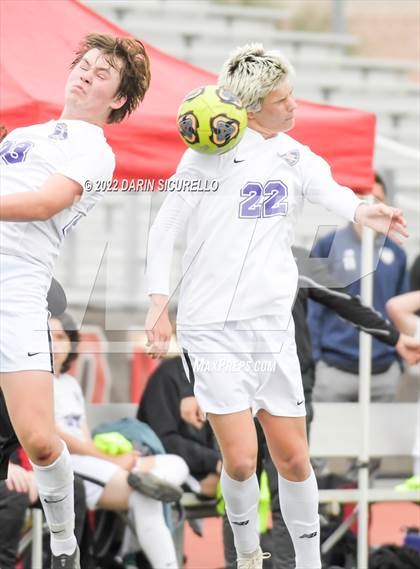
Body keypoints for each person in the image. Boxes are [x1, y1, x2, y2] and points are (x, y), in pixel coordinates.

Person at [144, 44, 409, 569]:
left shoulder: (294, 153)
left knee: (293, 458)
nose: (293, 106)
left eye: (292, 95)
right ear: (249, 105)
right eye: (282, 99)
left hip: (271, 327)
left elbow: (331, 191)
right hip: (211, 327)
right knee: (240, 461)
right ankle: (247, 555)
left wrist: (364, 210)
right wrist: (158, 303)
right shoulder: (207, 152)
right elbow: (165, 227)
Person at [0, 33, 151, 568]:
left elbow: (46, 203)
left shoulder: (94, 148)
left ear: (116, 99)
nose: (86, 73)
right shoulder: (23, 132)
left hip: (17, 286)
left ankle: (64, 542)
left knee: (40, 442)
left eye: (101, 72)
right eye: (84, 64)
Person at [50, 312, 189, 569]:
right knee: (145, 495)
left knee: (176, 465)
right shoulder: (35, 383)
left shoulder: (70, 384)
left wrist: (121, 459)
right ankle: (141, 477)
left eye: (60, 337)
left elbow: (84, 435)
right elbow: (58, 438)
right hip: (67, 467)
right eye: (48, 337)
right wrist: (113, 460)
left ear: (71, 342)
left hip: (95, 460)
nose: (55, 344)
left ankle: (144, 478)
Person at [308, 173, 409, 407]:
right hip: (335, 370)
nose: (373, 204)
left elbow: (400, 311)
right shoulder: (327, 245)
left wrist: (398, 363)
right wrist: (316, 360)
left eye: (379, 198)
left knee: (379, 443)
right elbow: (312, 308)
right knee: (331, 442)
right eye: (365, 197)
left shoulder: (397, 253)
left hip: (383, 372)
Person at [138, 355, 222, 497]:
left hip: (209, 470)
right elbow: (162, 441)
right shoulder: (168, 375)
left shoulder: (218, 374)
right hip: (165, 469)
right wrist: (215, 462)